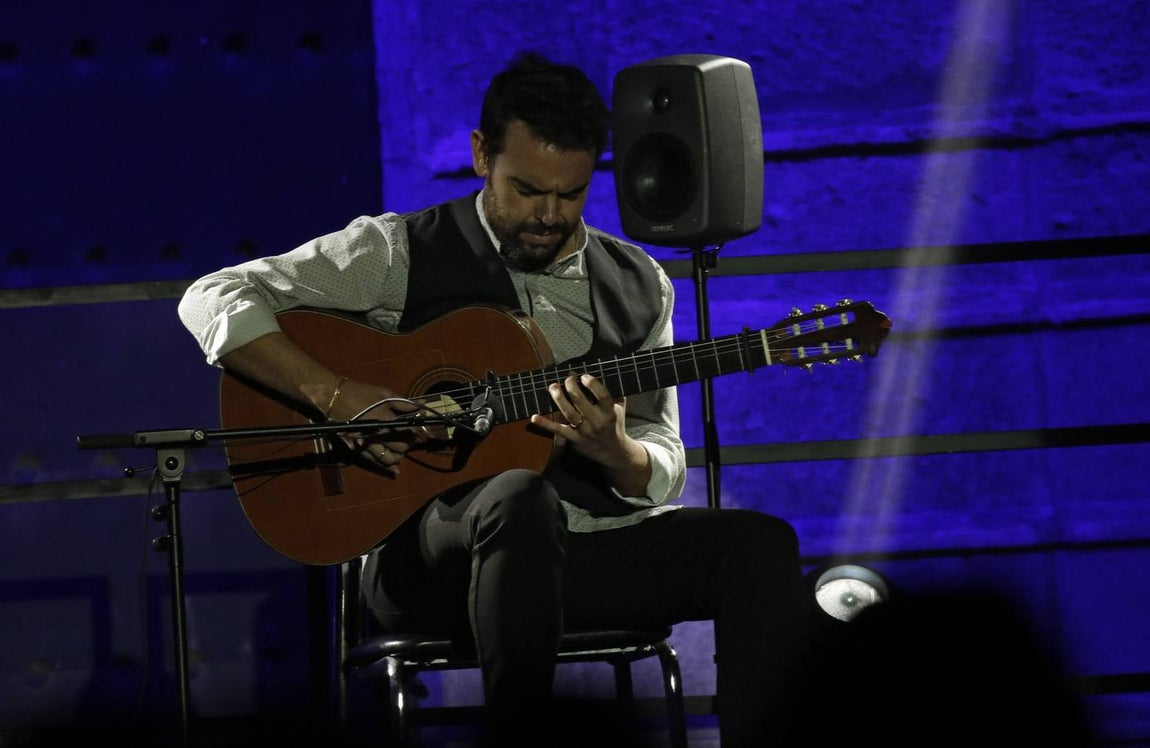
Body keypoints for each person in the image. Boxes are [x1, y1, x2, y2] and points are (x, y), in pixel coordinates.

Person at [178, 51, 814, 746]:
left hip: (582, 559)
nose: (547, 216)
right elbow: (213, 295)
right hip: (431, 566)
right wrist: (337, 393)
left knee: (758, 545)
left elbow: (661, 459)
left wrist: (616, 450)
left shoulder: (639, 283)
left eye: (569, 195)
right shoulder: (398, 251)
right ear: (482, 155)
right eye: (527, 190)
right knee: (516, 496)